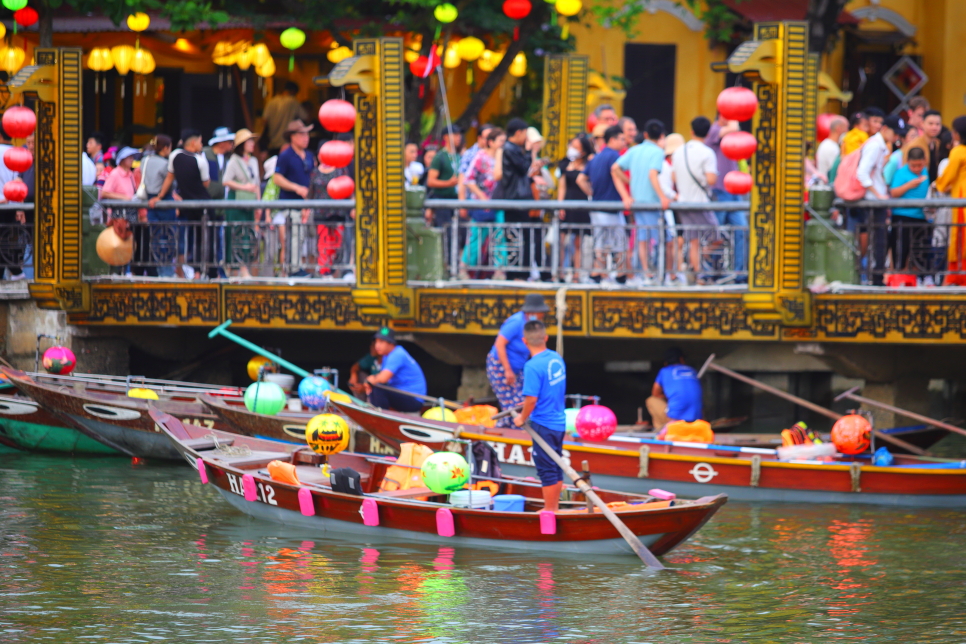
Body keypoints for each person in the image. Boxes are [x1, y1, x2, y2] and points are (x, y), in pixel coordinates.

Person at [512, 319, 567, 513]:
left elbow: (532, 399)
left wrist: (522, 417)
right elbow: (551, 390)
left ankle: (550, 510)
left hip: (543, 424)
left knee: (546, 468)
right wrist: (527, 405)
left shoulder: (532, 366)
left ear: (524, 341)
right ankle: (555, 507)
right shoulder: (556, 358)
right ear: (546, 338)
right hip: (559, 423)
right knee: (556, 463)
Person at [149, 129, 211, 279]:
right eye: (201, 142)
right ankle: (197, 272)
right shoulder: (200, 160)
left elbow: (170, 177)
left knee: (181, 238)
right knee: (199, 239)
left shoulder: (175, 155)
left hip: (183, 204)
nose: (202, 145)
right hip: (199, 205)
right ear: (194, 143)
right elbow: (206, 183)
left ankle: (180, 270)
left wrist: (160, 196)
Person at [613, 118, 668, 284]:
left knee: (643, 237)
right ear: (661, 136)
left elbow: (615, 169)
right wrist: (663, 197)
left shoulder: (635, 150)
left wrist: (626, 193)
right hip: (651, 202)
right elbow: (652, 174)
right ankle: (658, 273)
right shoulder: (657, 152)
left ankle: (646, 272)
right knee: (659, 238)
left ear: (645, 134)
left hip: (637, 201)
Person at [486, 293, 549, 427]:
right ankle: (507, 430)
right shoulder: (517, 322)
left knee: (523, 400)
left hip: (519, 367)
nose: (543, 315)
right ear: (533, 312)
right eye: (541, 312)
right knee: (511, 405)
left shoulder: (533, 324)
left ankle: (521, 427)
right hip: (500, 366)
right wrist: (507, 370)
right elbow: (499, 343)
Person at [577, 124, 627, 283]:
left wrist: (592, 193)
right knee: (618, 241)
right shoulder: (614, 156)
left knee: (600, 242)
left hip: (597, 206)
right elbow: (616, 175)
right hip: (611, 206)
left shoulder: (596, 157)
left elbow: (581, 179)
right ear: (612, 139)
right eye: (621, 139)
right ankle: (620, 274)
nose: (624, 142)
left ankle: (597, 272)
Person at [671, 116, 719, 282]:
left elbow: (674, 177)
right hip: (700, 203)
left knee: (693, 241)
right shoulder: (707, 153)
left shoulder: (678, 151)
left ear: (691, 131)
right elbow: (712, 179)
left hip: (683, 203)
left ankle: (697, 273)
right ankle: (702, 268)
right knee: (717, 238)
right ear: (708, 133)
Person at [856, 114, 900, 286]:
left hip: (876, 200)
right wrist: (878, 193)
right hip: (873, 201)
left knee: (879, 241)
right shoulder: (875, 146)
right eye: (895, 133)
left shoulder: (880, 146)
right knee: (878, 241)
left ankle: (876, 277)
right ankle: (875, 278)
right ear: (885, 129)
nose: (897, 137)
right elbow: (862, 173)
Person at [493, 118, 536, 280]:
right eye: (525, 134)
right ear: (519, 133)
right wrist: (530, 150)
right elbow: (525, 168)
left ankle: (519, 272)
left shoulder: (510, 149)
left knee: (517, 237)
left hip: (516, 199)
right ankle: (517, 273)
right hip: (516, 199)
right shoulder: (511, 149)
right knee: (516, 238)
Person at [461, 127, 506, 277]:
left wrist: (499, 156)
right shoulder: (480, 157)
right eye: (500, 141)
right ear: (491, 142)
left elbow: (498, 176)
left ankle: (499, 270)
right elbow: (468, 179)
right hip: (481, 204)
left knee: (499, 236)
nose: (503, 144)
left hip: (497, 203)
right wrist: (482, 197)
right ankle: (465, 268)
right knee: (476, 237)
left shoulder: (502, 158)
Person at [272, 120, 315, 276]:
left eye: (307, 134)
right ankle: (293, 269)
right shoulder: (285, 156)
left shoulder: (309, 155)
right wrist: (296, 188)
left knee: (306, 238)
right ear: (293, 137)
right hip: (291, 205)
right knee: (294, 238)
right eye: (302, 134)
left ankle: (306, 267)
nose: (306, 138)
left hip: (307, 205)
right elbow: (277, 178)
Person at [222, 129, 262, 278]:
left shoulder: (253, 160)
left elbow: (256, 183)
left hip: (249, 202)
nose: (252, 144)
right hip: (237, 201)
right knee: (236, 234)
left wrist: (259, 204)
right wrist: (244, 187)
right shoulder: (234, 160)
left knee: (248, 235)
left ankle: (244, 267)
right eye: (249, 141)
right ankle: (238, 268)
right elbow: (226, 181)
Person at [307, 140, 350, 276]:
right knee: (323, 242)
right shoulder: (314, 172)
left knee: (337, 242)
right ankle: (324, 271)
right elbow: (310, 192)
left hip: (338, 212)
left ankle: (335, 271)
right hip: (321, 213)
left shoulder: (340, 169)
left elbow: (348, 189)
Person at [556, 134, 594, 282]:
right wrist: (560, 206)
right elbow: (561, 187)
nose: (572, 149)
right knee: (562, 240)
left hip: (582, 204)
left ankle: (577, 273)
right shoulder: (565, 164)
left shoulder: (588, 165)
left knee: (578, 241)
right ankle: (560, 271)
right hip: (567, 203)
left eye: (576, 147)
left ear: (583, 151)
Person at [888, 146, 929, 276]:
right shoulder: (901, 173)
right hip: (902, 216)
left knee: (919, 250)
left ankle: (917, 277)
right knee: (901, 250)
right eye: (913, 166)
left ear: (924, 161)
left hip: (920, 216)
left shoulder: (925, 172)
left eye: (919, 165)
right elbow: (893, 193)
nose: (917, 168)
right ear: (907, 162)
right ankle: (898, 275)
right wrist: (909, 185)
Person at [365, 327, 427, 412]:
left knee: (379, 389)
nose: (377, 345)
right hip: (403, 395)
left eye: (381, 342)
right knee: (375, 387)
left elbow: (383, 378)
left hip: (414, 399)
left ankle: (381, 418)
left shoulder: (397, 353)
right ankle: (374, 413)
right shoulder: (387, 356)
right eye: (376, 341)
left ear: (391, 343)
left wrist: (371, 379)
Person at [935, 116, 966, 286]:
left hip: (962, 198)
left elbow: (946, 179)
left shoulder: (958, 151)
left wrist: (938, 185)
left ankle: (958, 276)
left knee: (960, 238)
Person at [427, 126, 462, 267]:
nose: (458, 137)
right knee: (445, 233)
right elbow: (431, 180)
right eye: (455, 134)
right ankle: (444, 263)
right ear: (446, 137)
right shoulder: (439, 157)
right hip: (442, 201)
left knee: (457, 234)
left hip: (456, 201)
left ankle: (454, 263)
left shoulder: (459, 157)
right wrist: (449, 183)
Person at [141, 135, 174, 277]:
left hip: (149, 201)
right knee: (168, 237)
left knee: (155, 238)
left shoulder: (144, 160)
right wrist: (160, 196)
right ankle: (166, 272)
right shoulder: (165, 164)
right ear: (166, 148)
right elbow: (170, 179)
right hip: (163, 200)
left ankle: (157, 271)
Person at [646, 347, 702, 431]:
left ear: (665, 363)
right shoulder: (692, 370)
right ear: (681, 359)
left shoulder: (664, 371)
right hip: (696, 420)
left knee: (651, 400)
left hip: (675, 419)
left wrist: (666, 397)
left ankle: (661, 430)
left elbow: (655, 393)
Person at [660, 133, 686, 285]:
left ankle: (677, 272)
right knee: (674, 242)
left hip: (677, 207)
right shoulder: (665, 166)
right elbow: (665, 188)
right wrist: (676, 196)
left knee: (678, 242)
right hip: (671, 207)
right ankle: (672, 273)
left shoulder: (674, 165)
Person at [261, 81, 308, 157]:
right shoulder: (293, 101)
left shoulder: (271, 102)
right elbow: (306, 117)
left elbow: (264, 122)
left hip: (272, 143)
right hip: (286, 143)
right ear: (293, 92)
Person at [816, 115, 848, 179]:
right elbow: (837, 171)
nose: (847, 131)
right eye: (846, 128)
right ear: (839, 129)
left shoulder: (828, 144)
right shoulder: (831, 147)